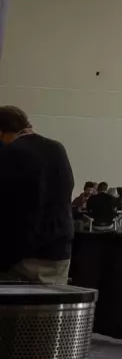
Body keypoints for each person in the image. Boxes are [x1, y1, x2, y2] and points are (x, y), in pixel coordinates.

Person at [0, 106, 75, 285]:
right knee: (52, 302)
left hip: (22, 257)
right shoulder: (57, 148)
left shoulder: (9, 152)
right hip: (59, 254)